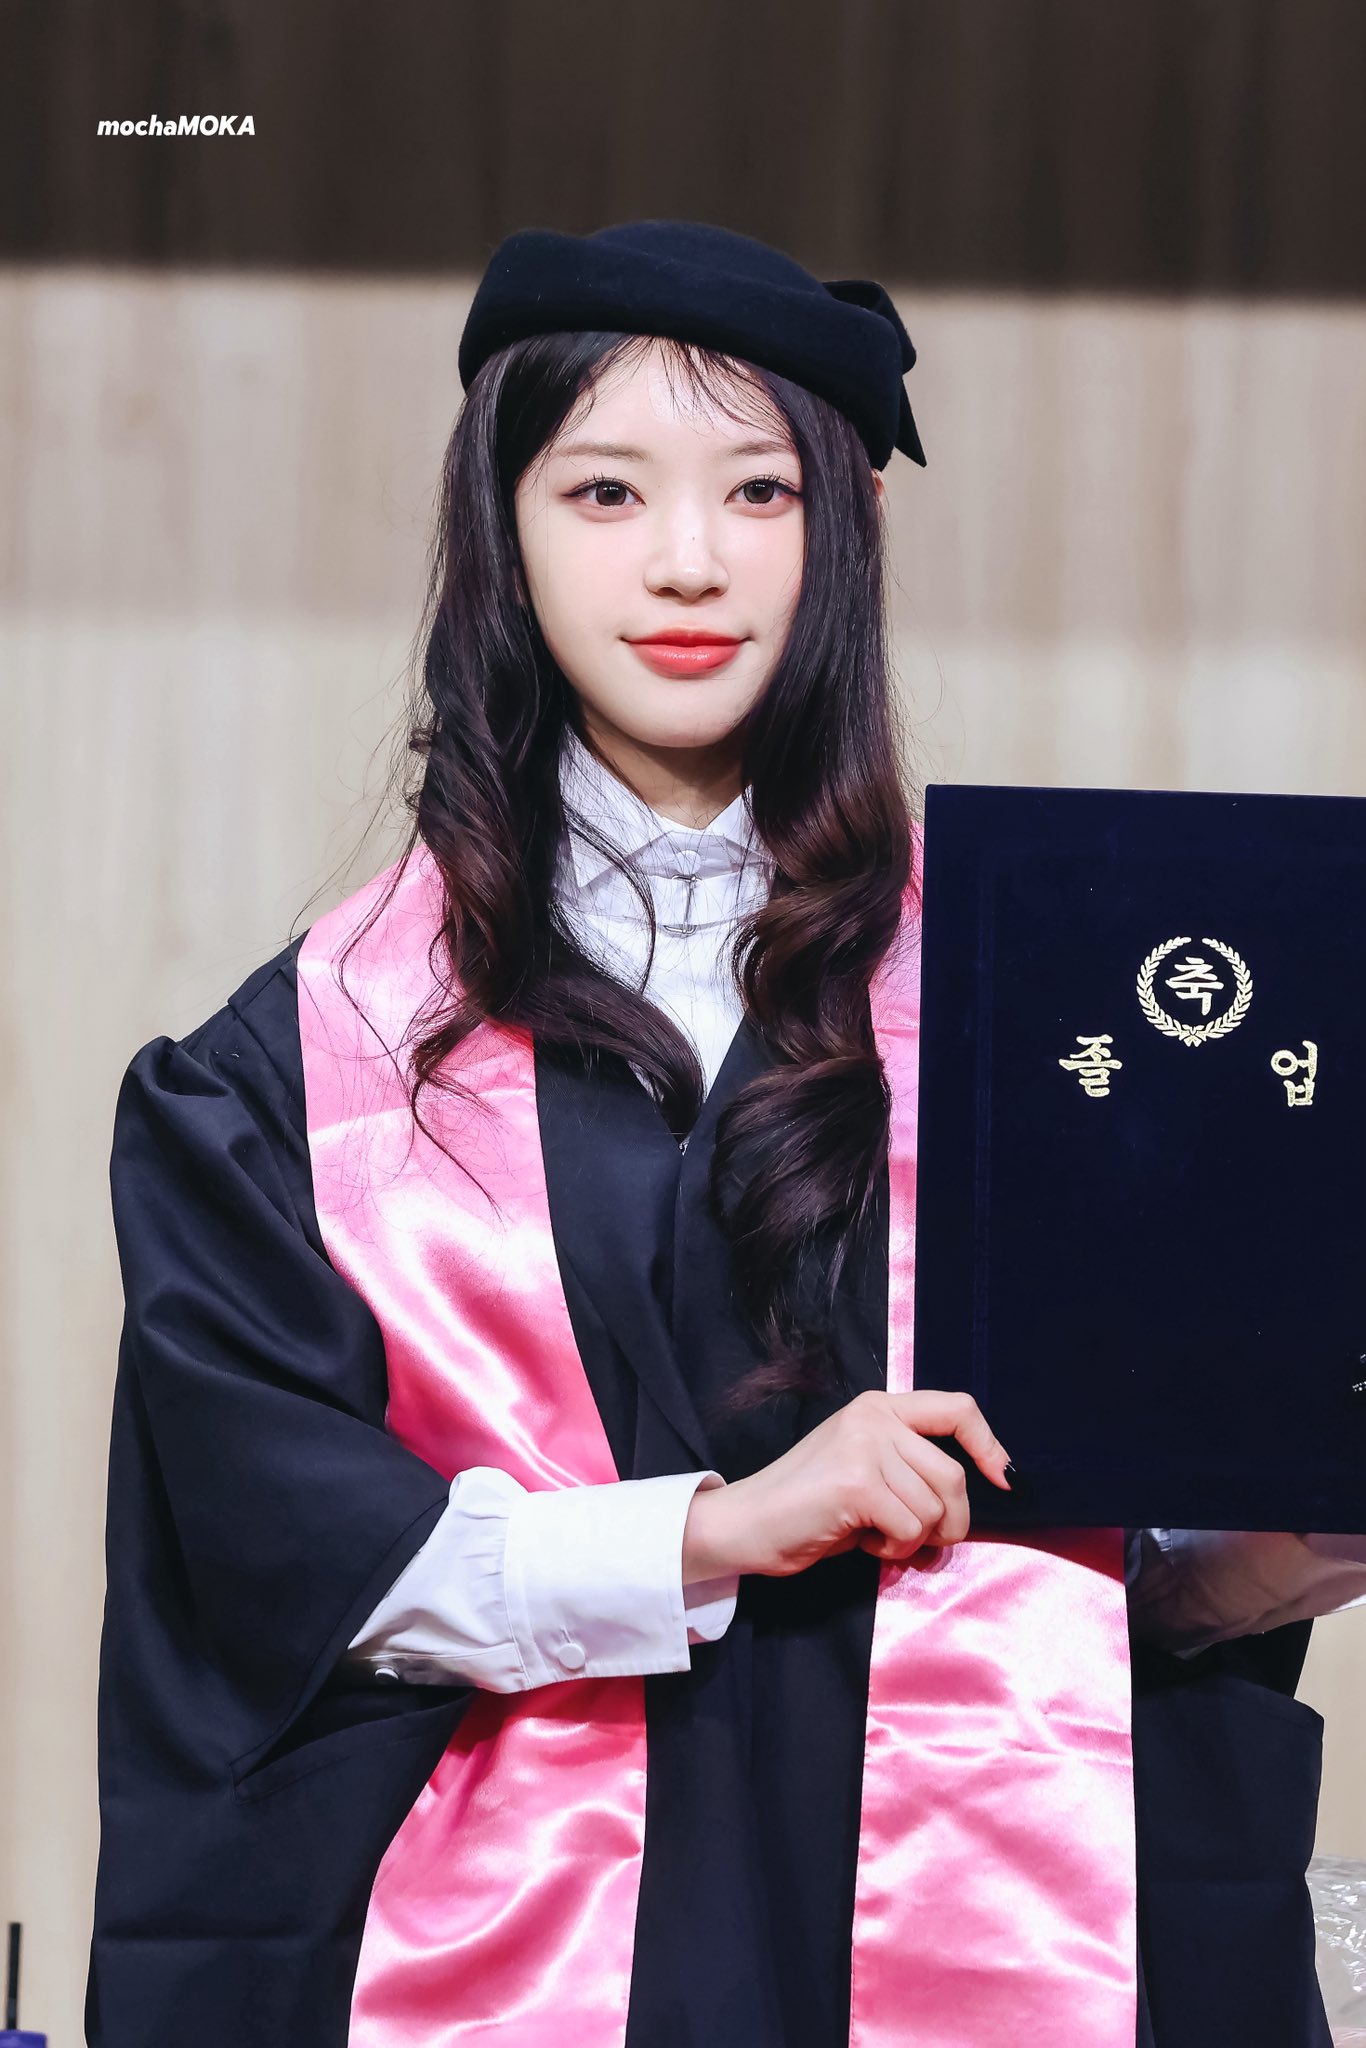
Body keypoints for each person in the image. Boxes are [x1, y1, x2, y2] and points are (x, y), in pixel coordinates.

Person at [85, 221, 1366, 2048]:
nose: (686, 560)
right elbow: (285, 1578)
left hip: (984, 1920)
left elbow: (1119, 1595)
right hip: (502, 1957)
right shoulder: (299, 1067)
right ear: (501, 530)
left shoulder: (1038, 1010)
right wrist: (726, 1527)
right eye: (604, 490)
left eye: (759, 491)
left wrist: (1258, 1559)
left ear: (843, 532)